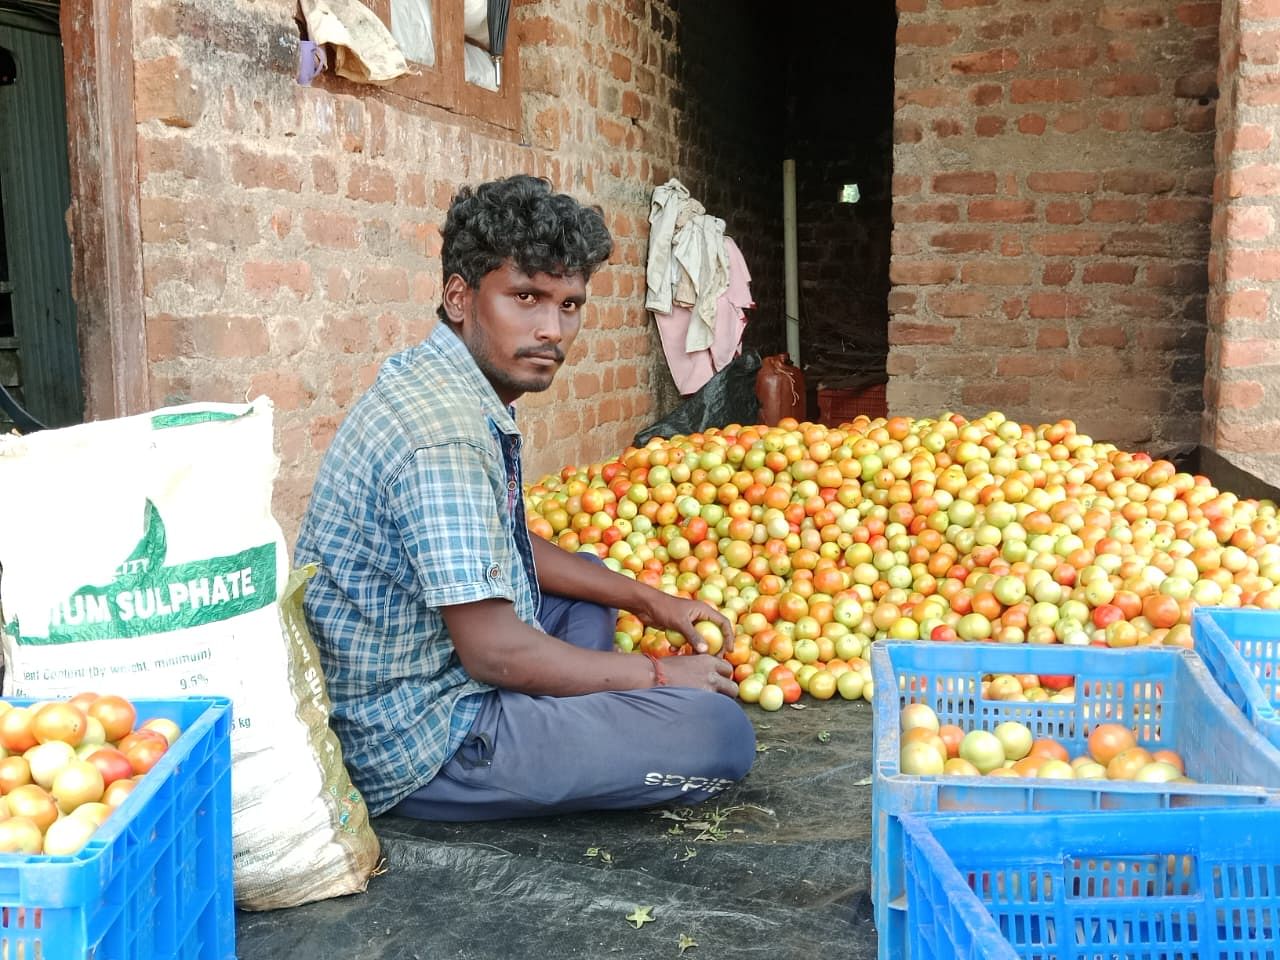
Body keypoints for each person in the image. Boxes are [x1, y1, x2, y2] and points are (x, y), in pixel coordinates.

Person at [296, 174, 756, 822]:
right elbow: (494, 651)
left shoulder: (451, 379)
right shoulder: (443, 435)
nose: (551, 330)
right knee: (720, 734)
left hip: (458, 666)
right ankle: (554, 728)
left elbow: (506, 542)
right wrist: (658, 678)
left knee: (591, 582)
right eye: (526, 297)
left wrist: (650, 600)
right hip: (425, 737)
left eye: (569, 305)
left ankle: (567, 710)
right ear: (460, 297)